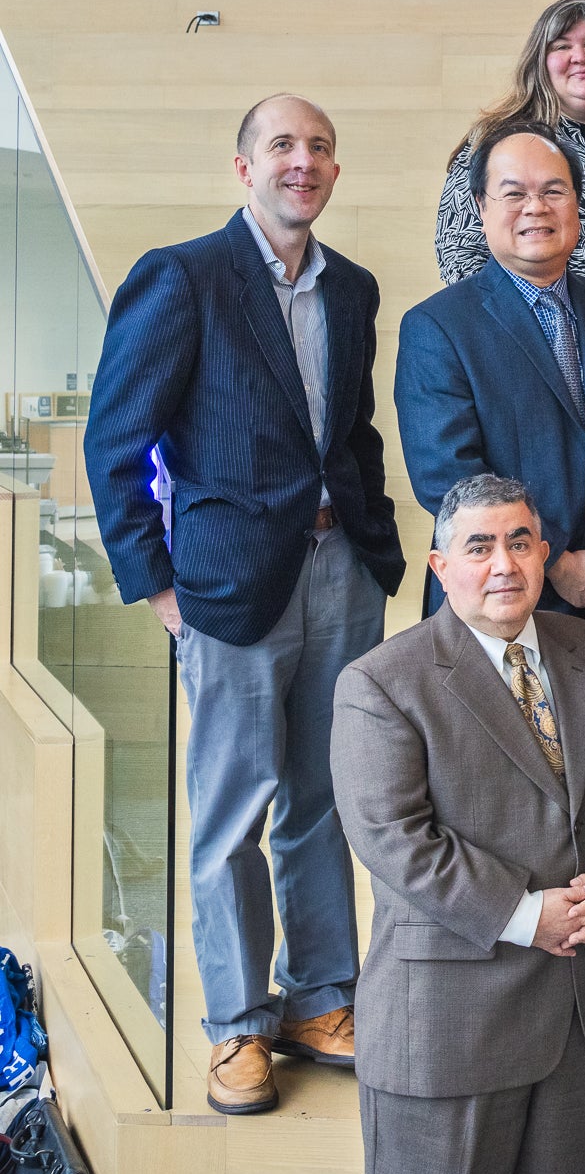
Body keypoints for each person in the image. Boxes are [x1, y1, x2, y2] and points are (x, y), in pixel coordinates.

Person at [83, 95, 406, 1116]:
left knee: (321, 801)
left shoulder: (351, 288)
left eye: (318, 149)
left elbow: (348, 432)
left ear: (334, 174)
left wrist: (376, 543)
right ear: (243, 167)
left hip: (338, 574)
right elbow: (114, 443)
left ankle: (319, 1000)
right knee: (230, 814)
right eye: (282, 146)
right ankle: (234, 1027)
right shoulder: (183, 277)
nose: (301, 163)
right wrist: (159, 587)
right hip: (225, 589)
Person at [332, 474, 585, 1174]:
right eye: (479, 547)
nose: (503, 564)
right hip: (449, 1023)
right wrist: (527, 913)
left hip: (579, 1015)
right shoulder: (381, 682)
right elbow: (394, 838)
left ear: (544, 554)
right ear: (442, 568)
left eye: (519, 542)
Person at [397, 123, 585, 680]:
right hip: (494, 602)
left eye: (553, 190)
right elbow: (447, 475)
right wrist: (556, 561)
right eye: (514, 192)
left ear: (577, 203)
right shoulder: (438, 326)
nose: (535, 208)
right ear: (479, 207)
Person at [437, 0, 585, 326]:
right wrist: (522, 329)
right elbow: (460, 251)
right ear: (540, 62)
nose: (580, 57)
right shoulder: (498, 139)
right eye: (561, 47)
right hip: (552, 329)